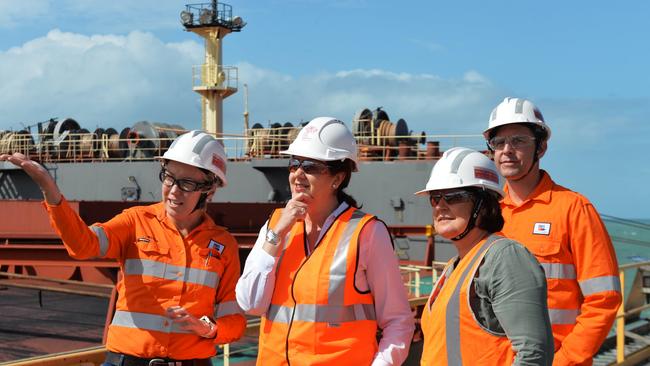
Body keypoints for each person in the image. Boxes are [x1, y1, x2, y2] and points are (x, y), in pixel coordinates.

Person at [0, 130, 246, 365]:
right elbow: (84, 245)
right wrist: (50, 190)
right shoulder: (134, 222)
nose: (173, 191)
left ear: (210, 190)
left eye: (187, 184)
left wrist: (208, 328)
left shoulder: (224, 246)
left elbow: (234, 320)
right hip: (127, 361)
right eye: (169, 177)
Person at [235, 117, 415, 365]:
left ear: (338, 178)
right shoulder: (277, 224)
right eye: (294, 163)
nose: (298, 173)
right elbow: (250, 303)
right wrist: (276, 235)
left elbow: (398, 320)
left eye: (310, 166)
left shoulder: (367, 233)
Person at [484, 97, 622, 365]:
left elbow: (603, 299)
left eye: (519, 141)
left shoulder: (574, 209)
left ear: (542, 147)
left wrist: (565, 360)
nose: (507, 150)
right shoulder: (488, 213)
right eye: (498, 143)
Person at [416, 147, 553, 366]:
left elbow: (533, 354)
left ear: (484, 204)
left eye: (454, 196)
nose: (440, 205)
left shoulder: (505, 258)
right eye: (434, 198)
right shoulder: (456, 265)